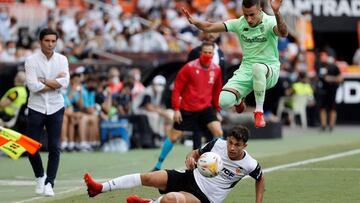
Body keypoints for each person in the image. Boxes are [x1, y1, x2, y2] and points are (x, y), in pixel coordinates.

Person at [84, 125, 265, 203]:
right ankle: (99, 188)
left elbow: (260, 179)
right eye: (230, 142)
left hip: (205, 197)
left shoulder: (249, 164)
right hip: (190, 176)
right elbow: (195, 153)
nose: (232, 148)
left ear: (245, 146)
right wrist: (190, 158)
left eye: (237, 145)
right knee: (150, 177)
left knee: (171, 199)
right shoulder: (217, 144)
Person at [182, 0, 288, 128]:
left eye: (252, 15)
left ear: (260, 10)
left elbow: (283, 33)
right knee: (223, 101)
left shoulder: (270, 21)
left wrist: (276, 12)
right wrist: (195, 22)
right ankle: (239, 99)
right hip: (246, 70)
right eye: (245, 14)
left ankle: (259, 112)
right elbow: (209, 27)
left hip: (269, 70)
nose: (248, 19)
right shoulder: (239, 23)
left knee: (258, 67)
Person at [152, 41, 223, 171]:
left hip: (205, 108)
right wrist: (176, 109)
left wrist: (217, 110)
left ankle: (220, 163)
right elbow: (177, 89)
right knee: (174, 137)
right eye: (205, 52)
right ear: (200, 53)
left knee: (218, 132)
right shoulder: (189, 68)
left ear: (214, 54)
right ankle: (158, 165)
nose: (208, 55)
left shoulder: (216, 69)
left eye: (210, 53)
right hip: (187, 109)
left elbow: (216, 91)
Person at [25, 28, 70, 196]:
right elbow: (32, 86)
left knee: (54, 147)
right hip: (36, 107)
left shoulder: (62, 59)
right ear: (40, 41)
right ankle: (40, 176)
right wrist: (54, 82)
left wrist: (43, 81)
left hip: (56, 106)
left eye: (53, 41)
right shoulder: (31, 60)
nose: (50, 44)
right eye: (47, 41)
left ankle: (50, 182)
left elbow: (65, 82)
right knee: (31, 147)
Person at [187, 31, 225, 150]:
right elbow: (187, 73)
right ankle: (195, 157)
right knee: (197, 128)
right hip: (197, 95)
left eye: (214, 31)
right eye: (208, 31)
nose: (211, 34)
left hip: (213, 96)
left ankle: (210, 155)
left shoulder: (220, 52)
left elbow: (222, 76)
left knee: (212, 127)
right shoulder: (195, 52)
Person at [317, 51, 343, 132]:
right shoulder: (319, 66)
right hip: (323, 90)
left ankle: (331, 126)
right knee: (322, 108)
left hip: (332, 90)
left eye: (324, 56)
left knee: (332, 108)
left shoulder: (334, 67)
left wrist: (330, 78)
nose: (322, 58)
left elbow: (340, 78)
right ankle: (323, 125)